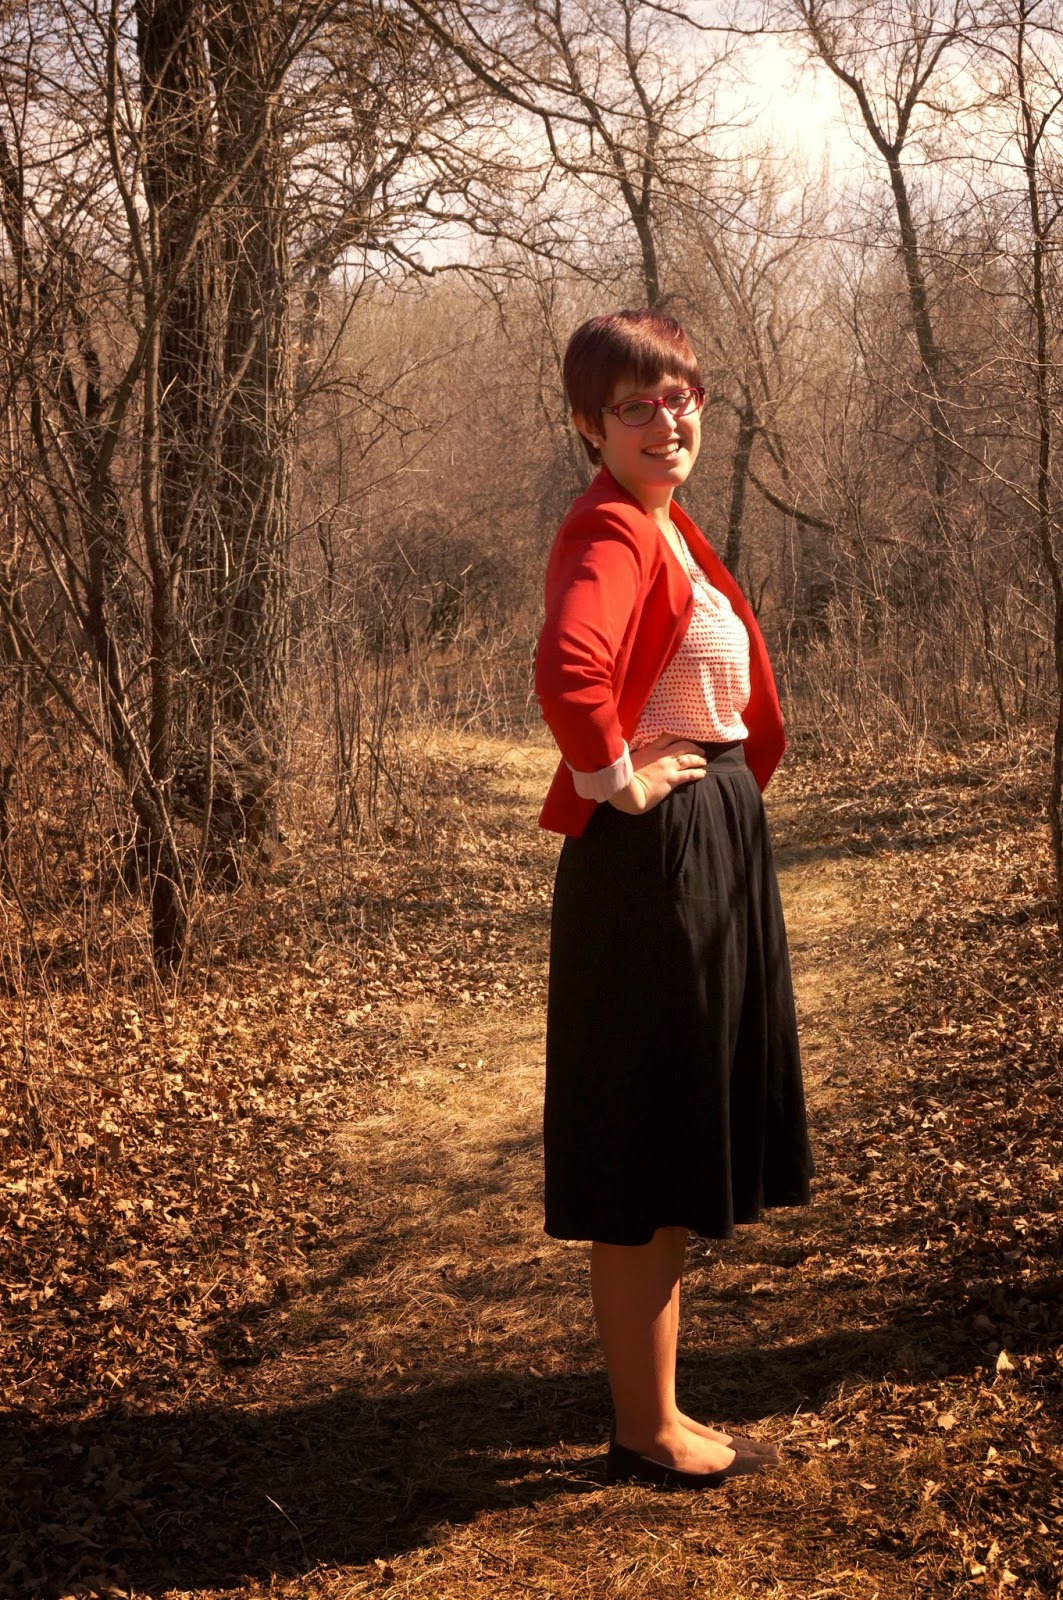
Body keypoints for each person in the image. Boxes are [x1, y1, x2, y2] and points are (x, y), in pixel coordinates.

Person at [535, 309, 813, 1490]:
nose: (665, 420)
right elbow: (569, 668)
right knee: (645, 1150)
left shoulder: (662, 524)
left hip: (700, 847)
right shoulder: (609, 527)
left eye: (680, 397)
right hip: (654, 864)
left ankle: (655, 1409)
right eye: (635, 404)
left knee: (667, 1140)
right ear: (589, 424)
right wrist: (618, 777)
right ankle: (645, 1429)